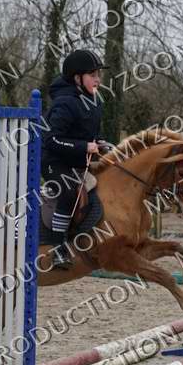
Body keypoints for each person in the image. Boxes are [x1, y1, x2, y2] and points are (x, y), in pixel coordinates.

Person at [41, 49, 110, 270]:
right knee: (70, 191)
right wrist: (84, 147)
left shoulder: (94, 100)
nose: (98, 79)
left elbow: (90, 134)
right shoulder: (64, 103)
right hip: (54, 161)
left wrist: (100, 143)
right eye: (93, 75)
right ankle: (58, 248)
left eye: (98, 74)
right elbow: (52, 139)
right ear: (77, 78)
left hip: (78, 161)